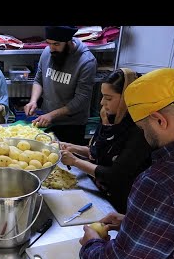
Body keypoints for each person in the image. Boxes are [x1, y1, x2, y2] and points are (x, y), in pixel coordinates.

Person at [79, 68, 174, 259]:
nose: (143, 135)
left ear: (159, 120)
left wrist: (91, 245)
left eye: (143, 128)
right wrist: (134, 223)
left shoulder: (162, 182)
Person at [59, 68, 151, 213]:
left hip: (121, 202)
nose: (102, 102)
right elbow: (99, 151)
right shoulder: (110, 117)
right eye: (103, 97)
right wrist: (72, 147)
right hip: (100, 191)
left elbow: (114, 175)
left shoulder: (139, 130)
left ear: (128, 98)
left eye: (108, 98)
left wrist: (75, 161)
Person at [24, 26, 97, 145]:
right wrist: (33, 101)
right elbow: (38, 80)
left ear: (68, 42)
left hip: (72, 125)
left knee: (68, 160)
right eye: (49, 43)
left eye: (56, 44)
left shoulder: (86, 62)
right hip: (47, 119)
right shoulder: (47, 52)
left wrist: (52, 115)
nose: (51, 48)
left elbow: (81, 99)